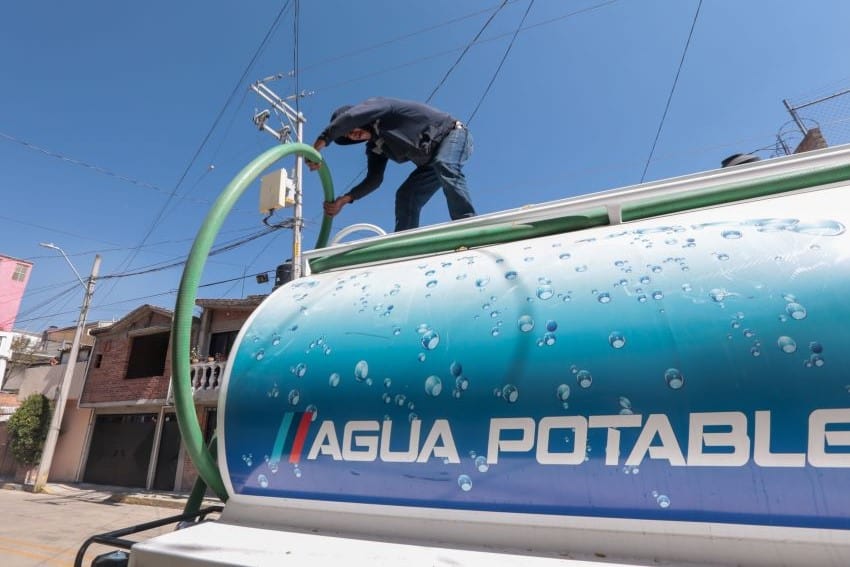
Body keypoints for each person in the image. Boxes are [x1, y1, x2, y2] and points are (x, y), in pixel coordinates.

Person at [307, 97, 476, 232]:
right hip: (430, 165)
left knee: (444, 163)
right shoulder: (375, 146)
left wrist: (319, 144)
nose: (353, 135)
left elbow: (351, 117)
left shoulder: (384, 108)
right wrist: (345, 200)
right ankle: (405, 243)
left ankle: (467, 223)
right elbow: (374, 179)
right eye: (348, 136)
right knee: (406, 195)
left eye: (351, 129)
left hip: (453, 135)